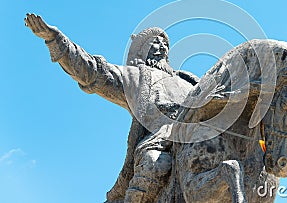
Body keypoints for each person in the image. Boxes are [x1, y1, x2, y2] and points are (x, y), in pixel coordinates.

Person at [24, 13, 199, 203]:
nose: (162, 47)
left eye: (165, 43)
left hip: (198, 132)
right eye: (155, 42)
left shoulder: (188, 80)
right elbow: (92, 72)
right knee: (154, 164)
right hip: (160, 141)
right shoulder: (136, 76)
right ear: (141, 51)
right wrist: (54, 39)